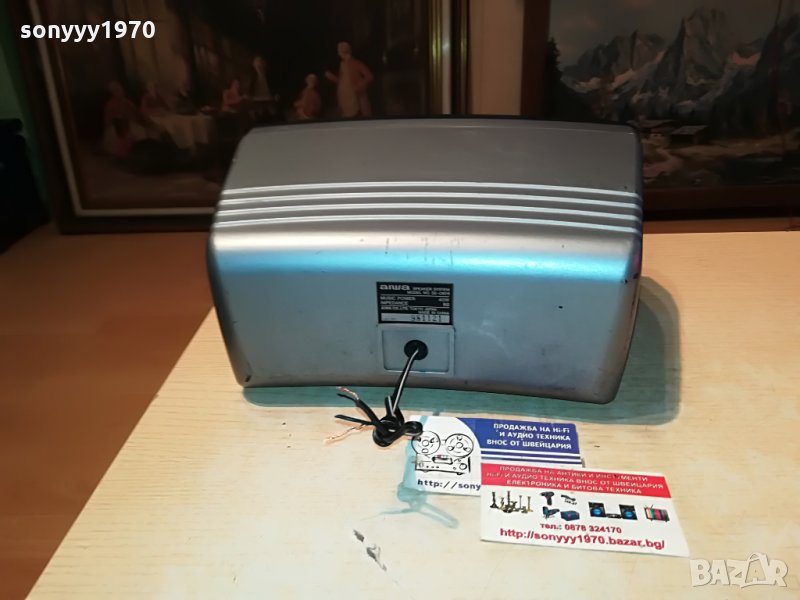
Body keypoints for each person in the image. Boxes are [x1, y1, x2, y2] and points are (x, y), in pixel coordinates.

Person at [325, 41, 373, 118]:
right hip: (343, 96)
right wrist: (331, 77)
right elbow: (341, 81)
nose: (338, 53)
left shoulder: (356, 63)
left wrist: (358, 85)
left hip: (353, 97)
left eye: (339, 51)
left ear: (343, 51)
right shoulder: (342, 64)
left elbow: (369, 76)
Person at [102, 81, 147, 157]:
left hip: (130, 124)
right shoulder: (110, 104)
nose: (120, 91)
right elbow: (107, 121)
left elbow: (136, 114)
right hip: (117, 127)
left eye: (120, 89)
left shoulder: (127, 102)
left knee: (141, 131)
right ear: (113, 93)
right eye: (117, 90)